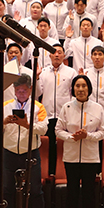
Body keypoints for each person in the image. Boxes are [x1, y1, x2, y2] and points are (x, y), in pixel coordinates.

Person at [0, 74, 49, 208]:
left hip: (30, 152)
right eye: (18, 90)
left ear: (30, 90)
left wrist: (26, 125)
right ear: (14, 90)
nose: (21, 93)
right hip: (9, 151)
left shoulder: (38, 107)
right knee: (8, 188)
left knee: (36, 189)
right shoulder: (5, 106)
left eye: (24, 90)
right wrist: (5, 121)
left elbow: (43, 129)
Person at [56, 74, 104, 208]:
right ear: (73, 89)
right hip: (71, 157)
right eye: (77, 86)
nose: (80, 89)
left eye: (83, 86)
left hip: (90, 158)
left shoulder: (97, 108)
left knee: (89, 194)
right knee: (71, 192)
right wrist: (72, 137)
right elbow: (58, 130)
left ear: (89, 89)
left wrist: (88, 136)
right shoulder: (66, 107)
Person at [38, 43, 75, 175]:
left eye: (60, 52)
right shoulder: (43, 73)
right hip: (48, 115)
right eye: (54, 52)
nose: (57, 54)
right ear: (49, 55)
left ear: (64, 55)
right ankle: (50, 172)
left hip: (64, 116)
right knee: (49, 146)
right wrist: (36, 78)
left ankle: (64, 173)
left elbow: (74, 94)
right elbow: (37, 93)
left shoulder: (71, 72)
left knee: (63, 146)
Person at [84, 45, 104, 132]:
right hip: (89, 113)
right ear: (91, 57)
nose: (97, 57)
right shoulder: (86, 73)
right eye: (94, 54)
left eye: (100, 54)